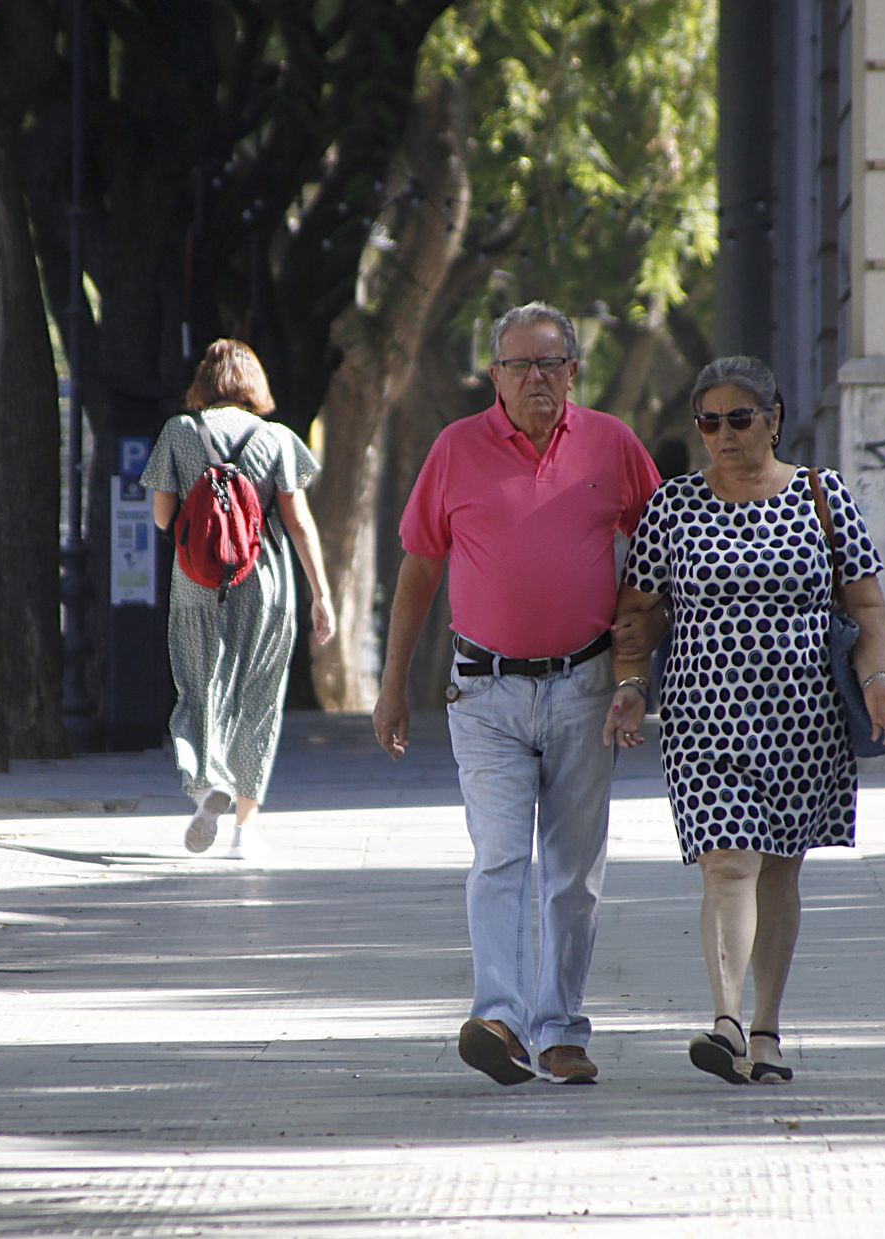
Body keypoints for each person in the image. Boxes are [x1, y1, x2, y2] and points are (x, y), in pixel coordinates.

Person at [373, 302, 661, 1087]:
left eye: (549, 363)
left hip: (584, 684)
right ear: (493, 375)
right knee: (499, 856)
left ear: (574, 369)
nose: (535, 378)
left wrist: (636, 676)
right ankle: (499, 1016)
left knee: (573, 871)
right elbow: (419, 570)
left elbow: (657, 559)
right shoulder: (456, 448)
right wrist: (392, 685)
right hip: (485, 690)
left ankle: (561, 1027)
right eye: (517, 365)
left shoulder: (613, 444)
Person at [603, 355, 885, 1085]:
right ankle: (726, 1019)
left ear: (774, 418)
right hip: (705, 717)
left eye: (739, 418)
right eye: (709, 421)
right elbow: (637, 612)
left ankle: (765, 1030)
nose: (723, 434)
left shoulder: (820, 496)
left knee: (778, 872)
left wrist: (877, 678)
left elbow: (865, 606)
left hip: (804, 719)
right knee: (729, 863)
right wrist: (629, 686)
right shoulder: (674, 506)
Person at [141, 339, 335, 858]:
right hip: (266, 582)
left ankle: (206, 786)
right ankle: (245, 831)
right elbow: (298, 523)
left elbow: (163, 519)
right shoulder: (278, 438)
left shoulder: (179, 432)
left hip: (196, 582)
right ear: (255, 383)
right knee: (258, 700)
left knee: (199, 688)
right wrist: (322, 594)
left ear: (205, 380)